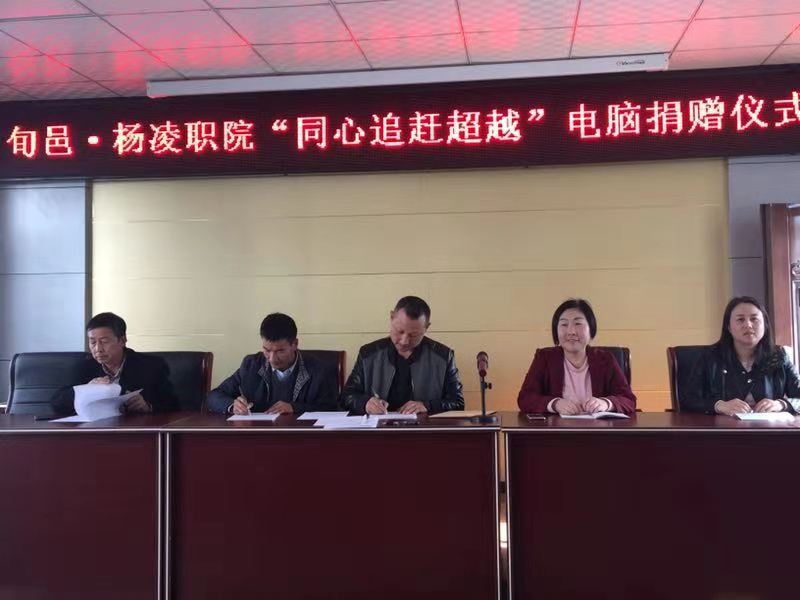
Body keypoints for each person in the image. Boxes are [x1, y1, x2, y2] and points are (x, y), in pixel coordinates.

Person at [342, 296, 464, 415]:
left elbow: (458, 403)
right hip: (379, 426)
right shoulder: (368, 354)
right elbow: (346, 397)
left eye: (413, 335)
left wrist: (427, 406)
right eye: (399, 331)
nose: (404, 341)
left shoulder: (443, 357)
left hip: (423, 427)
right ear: (391, 318)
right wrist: (365, 403)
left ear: (426, 328)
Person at [683, 296, 800, 415]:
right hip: (722, 426)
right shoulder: (709, 357)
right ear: (728, 327)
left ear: (765, 325)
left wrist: (781, 404)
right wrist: (719, 405)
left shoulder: (779, 356)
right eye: (740, 319)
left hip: (768, 426)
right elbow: (688, 400)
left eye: (754, 319)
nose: (748, 325)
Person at [517, 298, 636, 415]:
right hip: (556, 427)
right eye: (564, 324)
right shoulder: (544, 358)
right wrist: (554, 404)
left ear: (591, 329)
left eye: (578, 323)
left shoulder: (606, 359)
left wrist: (606, 403)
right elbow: (525, 398)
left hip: (598, 427)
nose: (571, 332)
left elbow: (628, 399)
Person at [207, 312, 338, 415]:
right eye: (267, 350)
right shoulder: (251, 365)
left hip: (300, 436)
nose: (272, 358)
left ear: (295, 344)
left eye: (280, 351)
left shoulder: (318, 368)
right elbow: (214, 396)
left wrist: (294, 407)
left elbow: (332, 408)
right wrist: (232, 405)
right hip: (257, 434)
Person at [51, 312, 178, 415]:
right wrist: (85, 389)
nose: (98, 349)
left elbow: (173, 405)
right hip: (96, 430)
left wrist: (148, 406)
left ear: (122, 340)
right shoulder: (85, 366)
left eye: (104, 341)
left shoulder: (151, 366)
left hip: (135, 430)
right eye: (93, 342)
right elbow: (57, 403)